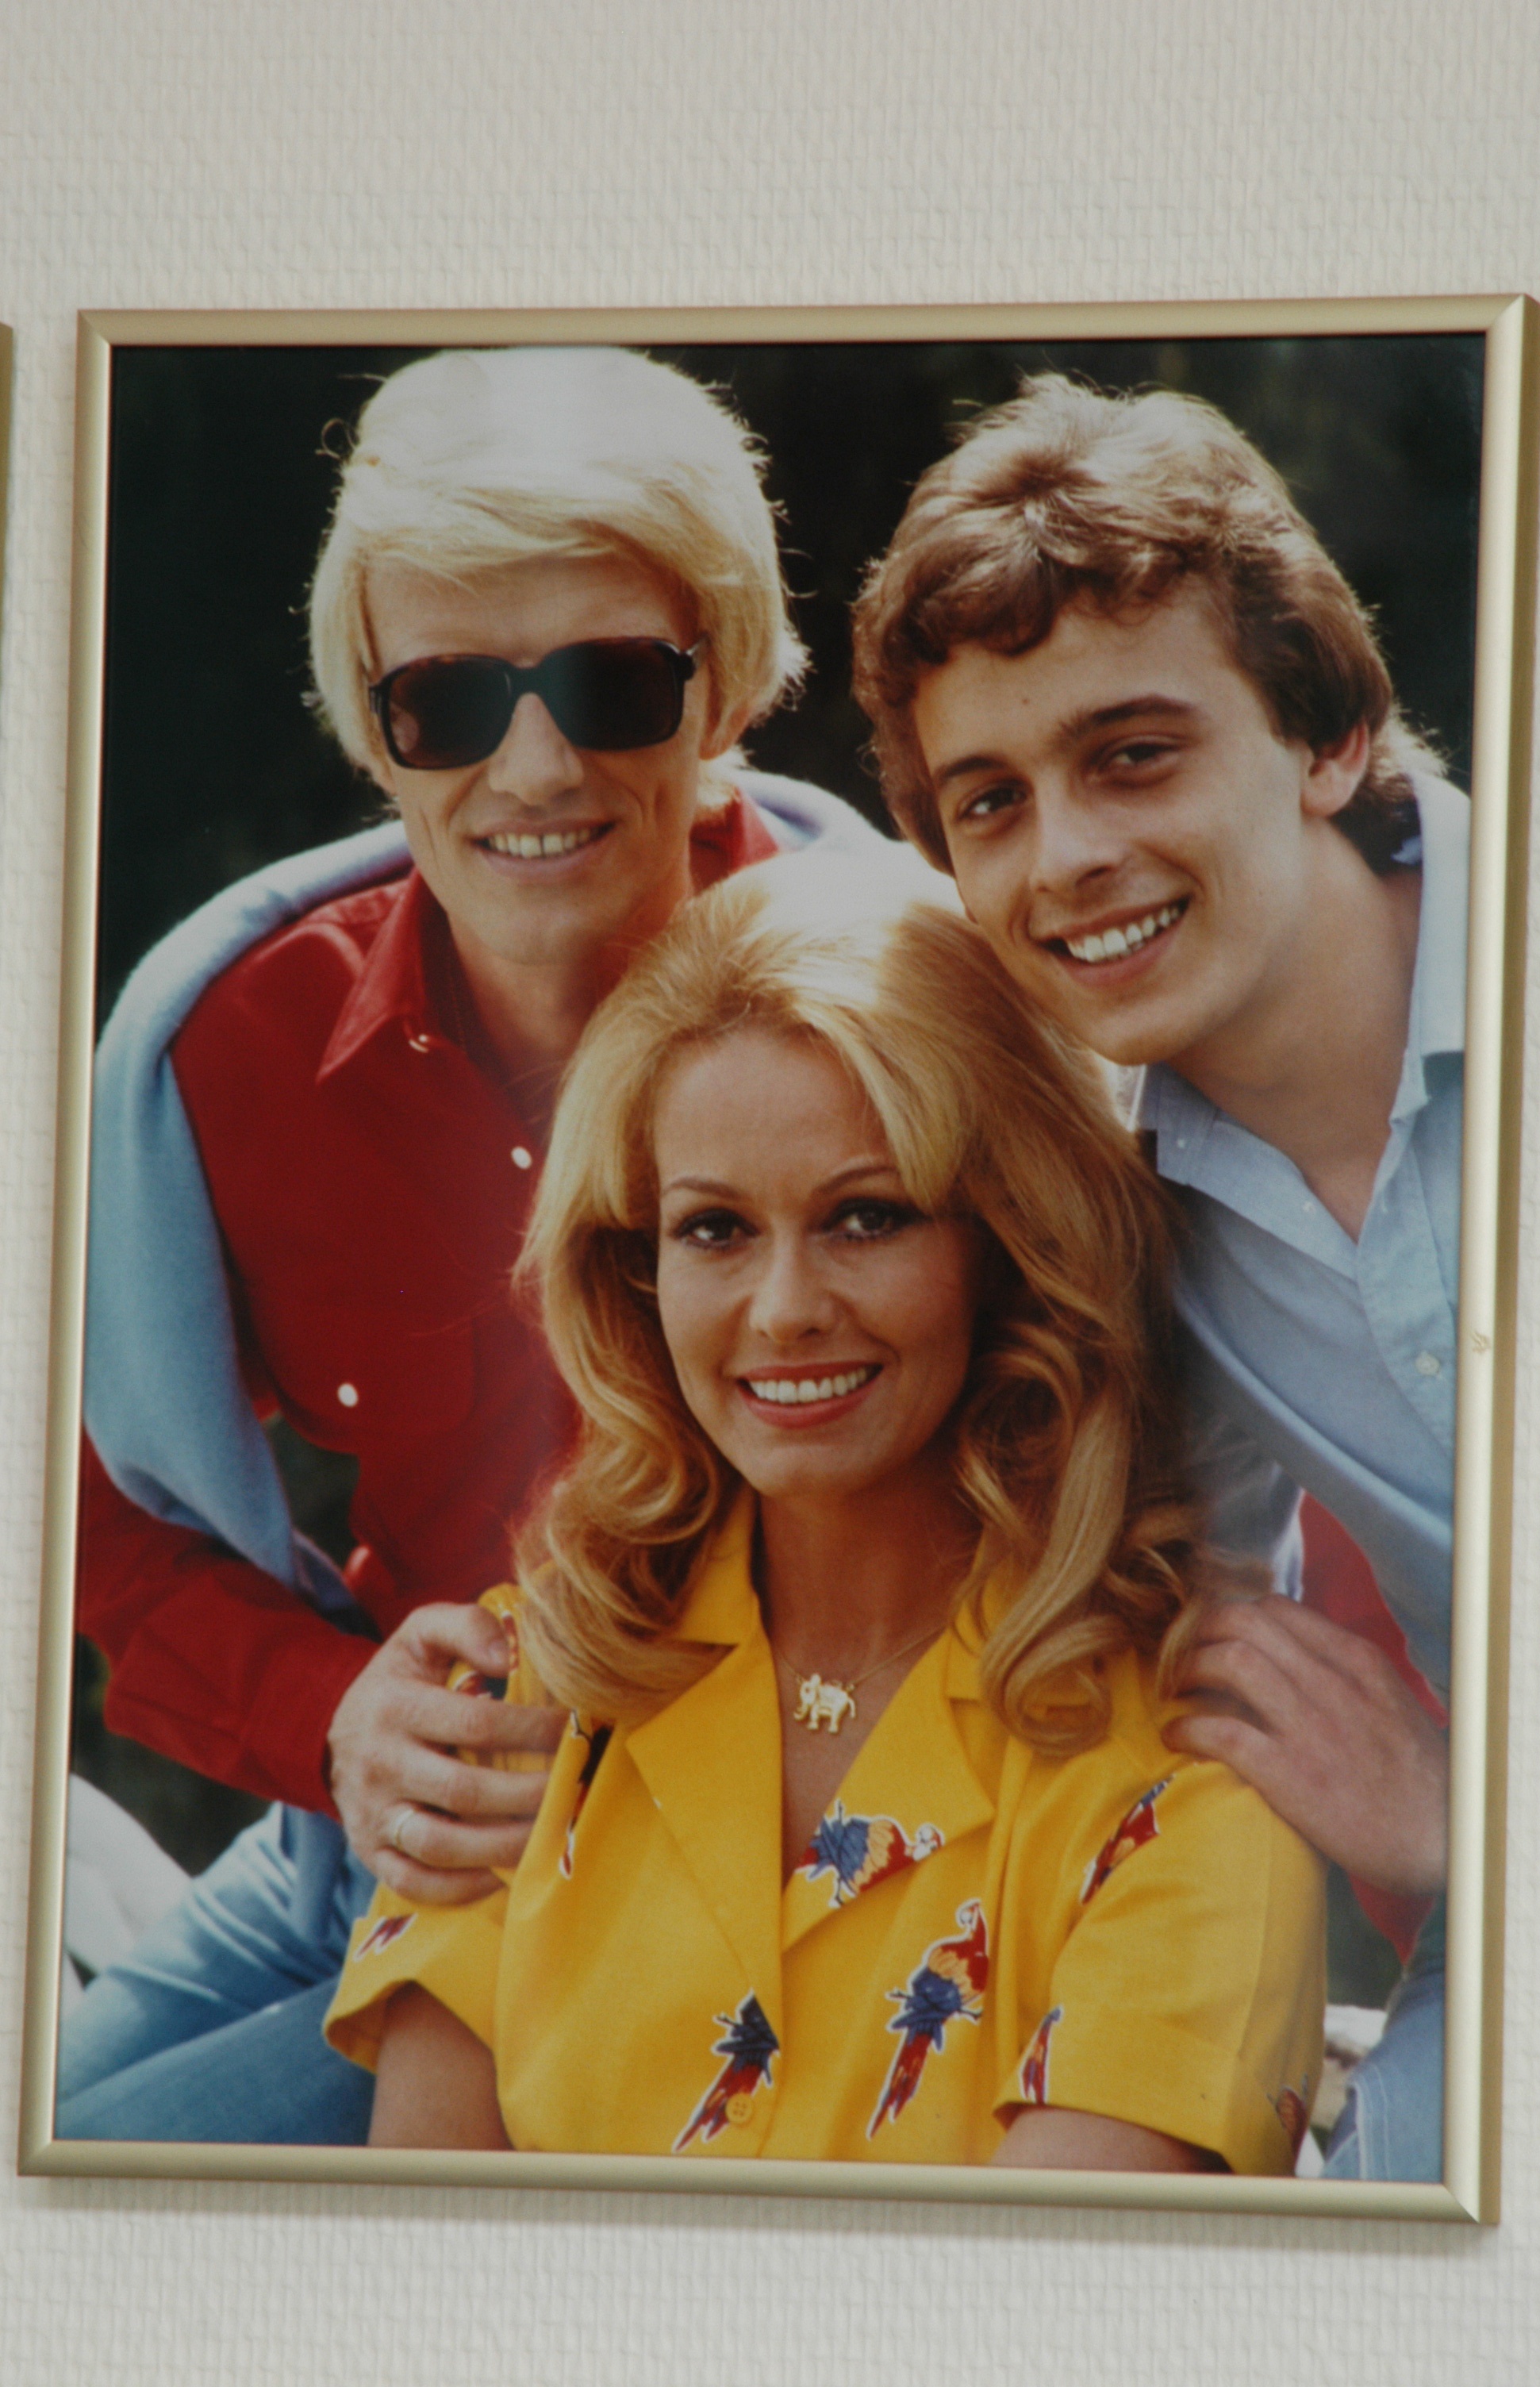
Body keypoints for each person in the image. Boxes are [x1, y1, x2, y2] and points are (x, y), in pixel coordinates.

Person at [61, 345, 882, 2144]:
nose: (534, 765)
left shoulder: (898, 1023)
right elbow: (94, 1508)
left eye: (608, 682)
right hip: (360, 1826)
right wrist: (337, 1717)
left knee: (109, 2193)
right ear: (369, 721)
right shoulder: (225, 1049)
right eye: (447, 701)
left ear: (724, 684)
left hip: (727, 1868)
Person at [325, 852, 1325, 2170]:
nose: (784, 1308)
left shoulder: (1200, 1784)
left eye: (866, 1217)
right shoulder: (517, 1704)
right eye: (715, 1231)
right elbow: (416, 2284)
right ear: (637, 1266)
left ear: (1008, 1243)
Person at [850, 372, 1461, 2180]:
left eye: (1133, 753)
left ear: (1327, 735)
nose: (1069, 860)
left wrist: (1464, 1820)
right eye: (988, 803)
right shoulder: (1115, 1219)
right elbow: (1152, 1640)